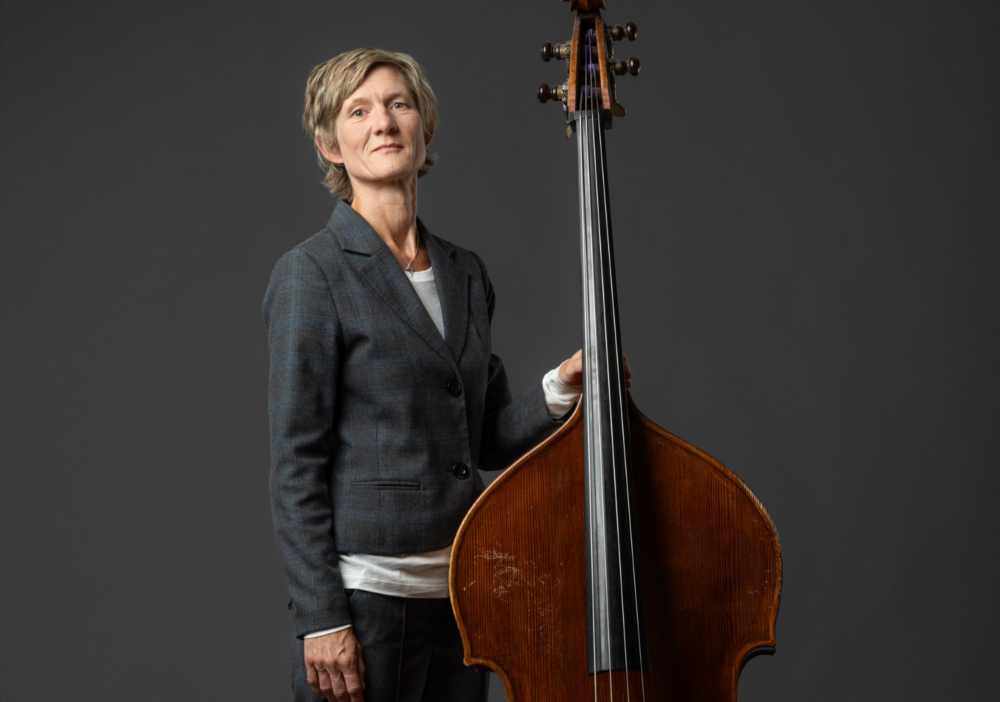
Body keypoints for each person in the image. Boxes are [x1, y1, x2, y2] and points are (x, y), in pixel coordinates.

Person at [264, 48, 629, 702]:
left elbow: (482, 438)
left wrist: (560, 389)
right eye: (358, 111)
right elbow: (297, 462)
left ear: (425, 126)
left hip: (464, 594)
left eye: (398, 104)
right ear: (329, 146)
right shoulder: (312, 272)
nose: (383, 122)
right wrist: (321, 618)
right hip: (367, 605)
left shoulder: (465, 272)